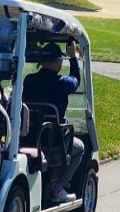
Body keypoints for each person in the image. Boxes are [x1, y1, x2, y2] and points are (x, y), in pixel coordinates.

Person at [23, 40, 85, 203]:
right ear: (58, 61)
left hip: (29, 135)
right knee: (80, 147)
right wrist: (73, 58)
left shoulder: (29, 80)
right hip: (54, 140)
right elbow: (75, 80)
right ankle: (57, 189)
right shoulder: (62, 83)